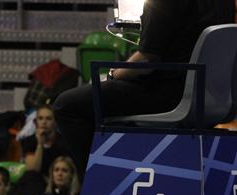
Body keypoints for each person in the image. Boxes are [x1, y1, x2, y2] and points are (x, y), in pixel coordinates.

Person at [53, 0, 235, 177]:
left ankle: (100, 181)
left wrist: (113, 74)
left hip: (168, 94)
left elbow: (146, 60)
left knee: (66, 106)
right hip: (211, 97)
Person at [11, 105, 70, 195]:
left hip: (56, 180)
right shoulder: (29, 141)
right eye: (40, 118)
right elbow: (33, 169)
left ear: (55, 122)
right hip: (35, 182)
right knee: (29, 178)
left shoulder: (64, 143)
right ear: (35, 122)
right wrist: (39, 145)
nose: (44, 122)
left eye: (48, 118)